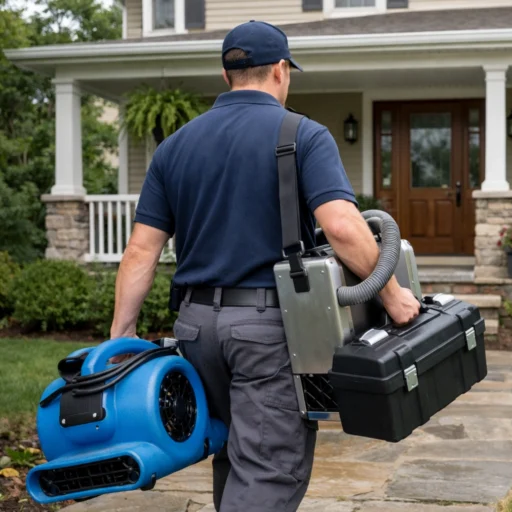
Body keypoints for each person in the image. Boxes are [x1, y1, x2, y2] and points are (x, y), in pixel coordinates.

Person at [108, 20, 421, 512]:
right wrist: (393, 294)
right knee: (270, 467)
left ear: (226, 73)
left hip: (195, 330)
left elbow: (140, 253)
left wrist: (119, 342)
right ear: (280, 70)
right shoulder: (302, 134)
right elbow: (341, 226)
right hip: (266, 330)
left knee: (235, 452)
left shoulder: (175, 146)